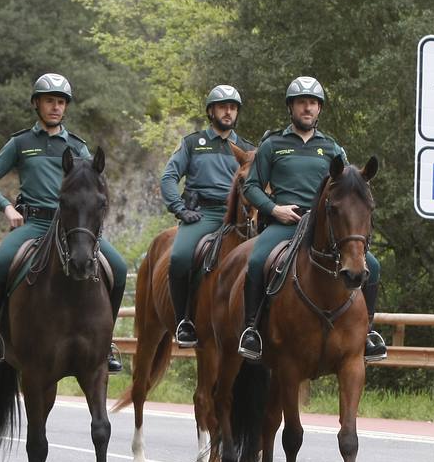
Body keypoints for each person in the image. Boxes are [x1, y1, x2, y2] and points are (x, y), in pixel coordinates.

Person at [0, 73, 128, 370]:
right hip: (34, 224)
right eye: (49, 101)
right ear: (36, 104)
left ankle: (106, 340)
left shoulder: (78, 146)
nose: (55, 107)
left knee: (119, 268)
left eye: (60, 102)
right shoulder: (21, 143)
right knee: (2, 262)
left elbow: (93, 188)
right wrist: (7, 208)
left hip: (73, 229)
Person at [237, 76, 386, 363]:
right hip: (284, 223)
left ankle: (367, 333)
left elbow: (348, 187)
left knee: (374, 267)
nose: (308, 108)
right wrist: (273, 209)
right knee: (256, 261)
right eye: (302, 103)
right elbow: (251, 186)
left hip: (324, 226)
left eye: (314, 103)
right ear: (291, 107)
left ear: (320, 109)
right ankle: (251, 330)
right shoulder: (272, 145)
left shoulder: (332, 148)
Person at [160, 85, 255, 347]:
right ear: (211, 111)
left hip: (240, 218)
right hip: (202, 215)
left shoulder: (248, 148)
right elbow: (168, 177)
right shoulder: (192, 143)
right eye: (223, 106)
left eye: (233, 107)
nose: (228, 112)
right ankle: (184, 321)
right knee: (179, 258)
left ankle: (254, 326)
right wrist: (180, 209)